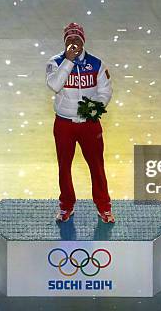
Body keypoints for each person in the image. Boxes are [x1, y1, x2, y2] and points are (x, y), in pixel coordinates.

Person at [46, 22, 115, 223]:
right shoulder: (55, 62)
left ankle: (104, 207)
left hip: (89, 124)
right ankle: (66, 205)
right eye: (69, 39)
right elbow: (54, 84)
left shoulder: (97, 64)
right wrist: (68, 61)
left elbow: (105, 91)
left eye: (77, 39)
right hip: (64, 123)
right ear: (65, 42)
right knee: (64, 166)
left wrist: (95, 106)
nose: (73, 43)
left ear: (83, 41)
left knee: (97, 165)